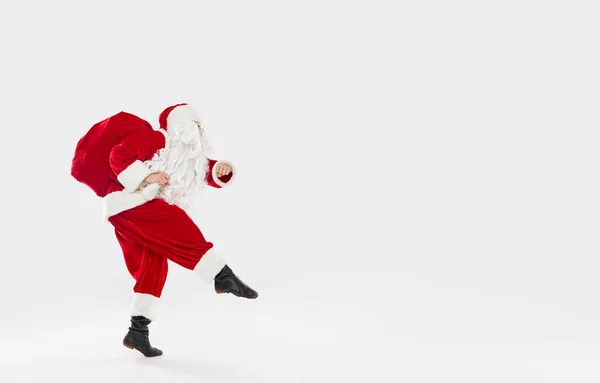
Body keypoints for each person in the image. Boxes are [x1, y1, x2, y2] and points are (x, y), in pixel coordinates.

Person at [101, 103, 258, 357]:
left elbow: (202, 171)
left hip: (141, 209)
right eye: (190, 125)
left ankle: (137, 332)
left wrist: (219, 171)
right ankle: (222, 275)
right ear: (177, 127)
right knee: (176, 222)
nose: (195, 131)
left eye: (198, 126)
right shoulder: (156, 139)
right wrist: (147, 177)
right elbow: (118, 155)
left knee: (155, 264)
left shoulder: (189, 159)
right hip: (129, 201)